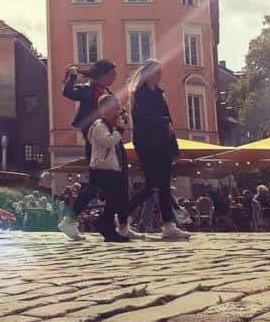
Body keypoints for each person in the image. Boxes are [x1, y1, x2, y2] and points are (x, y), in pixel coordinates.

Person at [126, 60, 190, 240]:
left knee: (162, 186)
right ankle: (124, 214)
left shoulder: (160, 94)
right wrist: (164, 122)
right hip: (147, 143)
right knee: (153, 185)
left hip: (162, 143)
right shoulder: (139, 94)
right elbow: (143, 120)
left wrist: (174, 148)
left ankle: (168, 226)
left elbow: (170, 124)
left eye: (160, 73)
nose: (158, 76)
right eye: (156, 73)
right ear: (146, 74)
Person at [62, 60, 119, 239]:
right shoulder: (87, 90)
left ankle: (110, 223)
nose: (115, 77)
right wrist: (72, 76)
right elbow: (67, 92)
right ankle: (72, 220)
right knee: (99, 185)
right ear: (101, 75)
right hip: (94, 140)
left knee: (104, 185)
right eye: (112, 74)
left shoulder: (107, 92)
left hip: (107, 139)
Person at [85, 95, 131, 242]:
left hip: (111, 167)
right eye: (115, 108)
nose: (118, 111)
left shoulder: (108, 125)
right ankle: (105, 226)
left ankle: (107, 227)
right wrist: (120, 130)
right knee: (114, 199)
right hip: (103, 167)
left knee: (115, 200)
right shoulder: (99, 125)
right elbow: (108, 142)